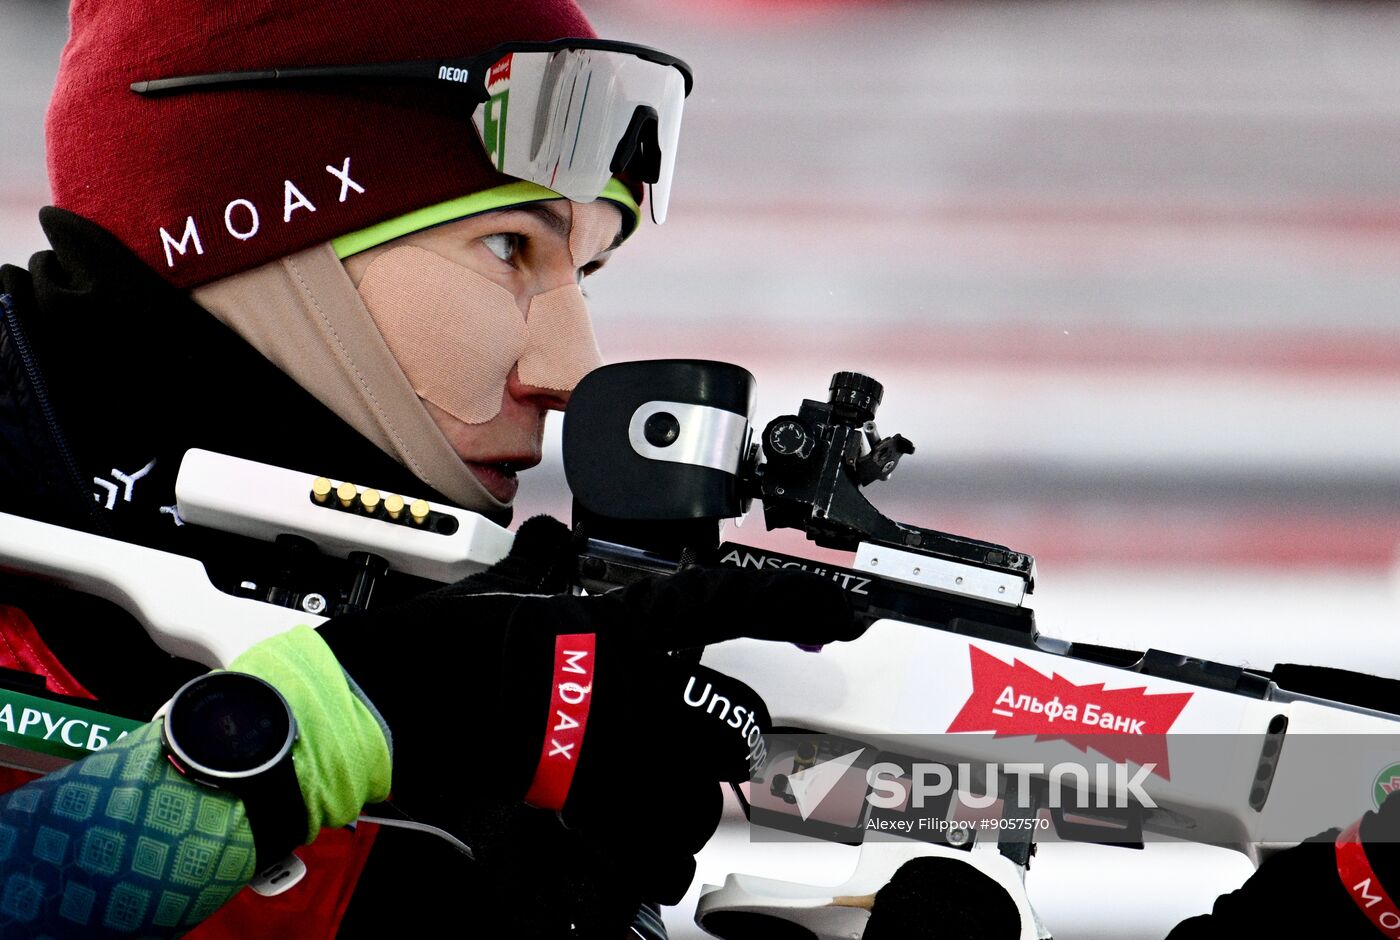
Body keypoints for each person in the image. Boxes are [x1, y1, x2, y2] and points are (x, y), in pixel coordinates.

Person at [0, 0, 863, 936]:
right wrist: (312, 735)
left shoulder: (446, 638)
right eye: (508, 249)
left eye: (587, 272)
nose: (570, 373)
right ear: (255, 239)